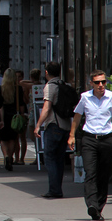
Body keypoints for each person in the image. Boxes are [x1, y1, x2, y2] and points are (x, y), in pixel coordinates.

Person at [69, 70, 112, 221]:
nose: (101, 85)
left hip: (106, 139)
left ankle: (99, 207)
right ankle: (92, 205)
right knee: (90, 172)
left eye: (103, 82)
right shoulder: (85, 97)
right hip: (89, 138)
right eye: (97, 82)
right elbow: (77, 116)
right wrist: (72, 135)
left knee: (103, 174)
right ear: (91, 84)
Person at [34, 61, 73, 199]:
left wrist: (38, 125)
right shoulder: (65, 85)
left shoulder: (50, 87)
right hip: (66, 126)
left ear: (46, 72)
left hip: (53, 125)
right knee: (59, 159)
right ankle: (58, 188)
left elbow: (46, 108)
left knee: (50, 158)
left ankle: (54, 189)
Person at [0, 68, 26, 170]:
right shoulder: (18, 89)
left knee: (3, 138)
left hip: (4, 116)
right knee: (13, 138)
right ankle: (10, 156)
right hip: (15, 116)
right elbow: (22, 104)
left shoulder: (1, 89)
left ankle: (5, 155)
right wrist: (22, 115)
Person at [19, 68, 41, 166]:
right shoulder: (41, 85)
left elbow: (21, 82)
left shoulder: (30, 86)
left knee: (33, 135)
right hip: (41, 112)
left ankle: (38, 155)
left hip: (33, 112)